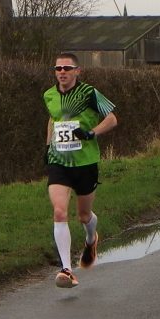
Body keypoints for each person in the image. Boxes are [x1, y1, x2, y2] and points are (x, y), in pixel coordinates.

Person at [45, 52, 118, 288]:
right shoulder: (49, 95)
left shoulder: (89, 93)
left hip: (85, 162)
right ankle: (66, 270)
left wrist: (92, 132)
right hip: (59, 162)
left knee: (84, 216)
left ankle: (91, 239)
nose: (62, 72)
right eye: (58, 69)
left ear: (77, 71)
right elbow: (53, 120)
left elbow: (112, 119)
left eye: (67, 68)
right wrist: (47, 148)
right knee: (59, 212)